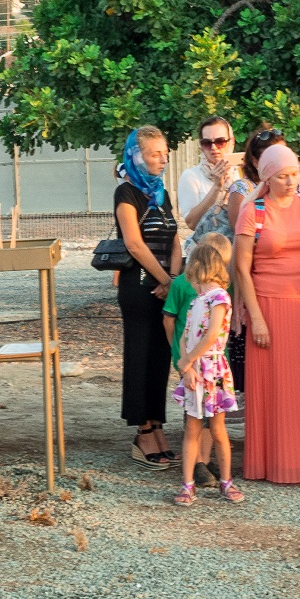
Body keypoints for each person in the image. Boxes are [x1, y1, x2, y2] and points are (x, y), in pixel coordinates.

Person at [233, 143, 300, 483]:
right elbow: (242, 269)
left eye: (294, 174)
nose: (291, 181)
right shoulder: (254, 211)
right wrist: (256, 317)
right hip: (270, 305)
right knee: (274, 386)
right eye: (283, 176)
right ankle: (270, 463)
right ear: (267, 177)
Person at [115, 126, 182, 466]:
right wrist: (164, 280)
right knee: (140, 356)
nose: (162, 159)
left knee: (160, 357)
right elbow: (133, 243)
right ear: (137, 156)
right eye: (156, 153)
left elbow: (175, 239)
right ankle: (142, 432)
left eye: (165, 153)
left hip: (164, 285)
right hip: (139, 285)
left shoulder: (162, 194)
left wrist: (172, 279)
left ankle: (157, 423)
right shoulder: (126, 193)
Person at [168, 236, 242, 506]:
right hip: (195, 370)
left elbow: (212, 335)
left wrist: (187, 361)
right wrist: (186, 367)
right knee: (192, 428)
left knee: (219, 429)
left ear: (198, 268)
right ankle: (187, 484)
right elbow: (186, 335)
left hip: (213, 368)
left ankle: (226, 480)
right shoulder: (196, 300)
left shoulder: (219, 297)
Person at [223, 126, 286, 396]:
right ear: (255, 161)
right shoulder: (243, 189)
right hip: (251, 277)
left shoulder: (289, 188)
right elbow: (241, 241)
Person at [177, 116, 238, 241]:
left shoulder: (241, 173)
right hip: (207, 252)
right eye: (207, 143)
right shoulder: (191, 176)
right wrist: (216, 187)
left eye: (220, 141)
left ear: (231, 142)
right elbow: (192, 223)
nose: (214, 148)